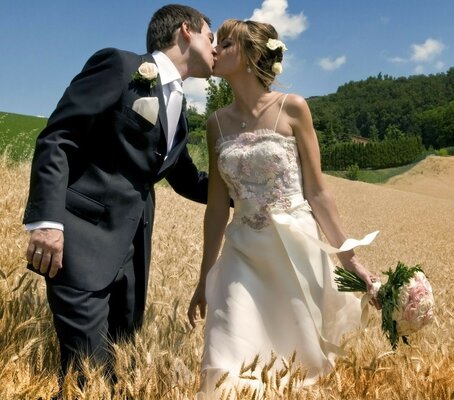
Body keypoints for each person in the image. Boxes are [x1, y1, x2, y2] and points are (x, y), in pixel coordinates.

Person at [23, 4, 216, 385]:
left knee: (119, 369)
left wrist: (250, 194)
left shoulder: (181, 110)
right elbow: (58, 138)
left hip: (133, 254)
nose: (216, 48)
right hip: (80, 241)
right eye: (212, 37)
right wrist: (46, 222)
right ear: (187, 31)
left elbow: (186, 179)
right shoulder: (120, 66)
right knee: (86, 374)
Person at [186, 19, 381, 397]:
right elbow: (215, 208)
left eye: (225, 44)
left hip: (295, 253)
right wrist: (204, 278)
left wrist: (352, 262)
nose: (214, 50)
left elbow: (318, 193)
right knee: (224, 359)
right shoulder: (215, 125)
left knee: (299, 367)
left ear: (251, 55)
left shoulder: (293, 109)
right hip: (240, 254)